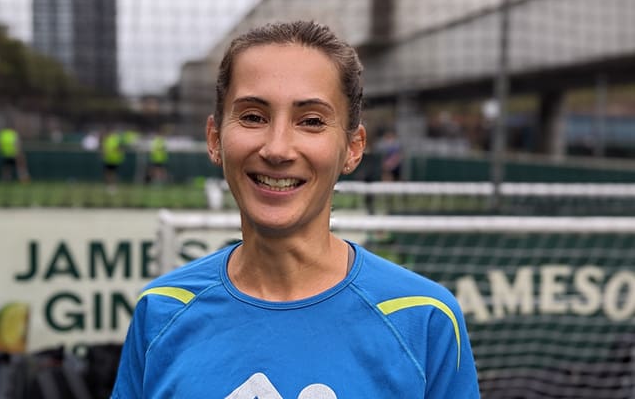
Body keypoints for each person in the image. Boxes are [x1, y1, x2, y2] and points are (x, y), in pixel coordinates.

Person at [112, 21, 480, 398]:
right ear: (215, 138)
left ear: (353, 148)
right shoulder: (161, 310)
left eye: (311, 121)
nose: (277, 149)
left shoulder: (423, 318)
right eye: (253, 117)